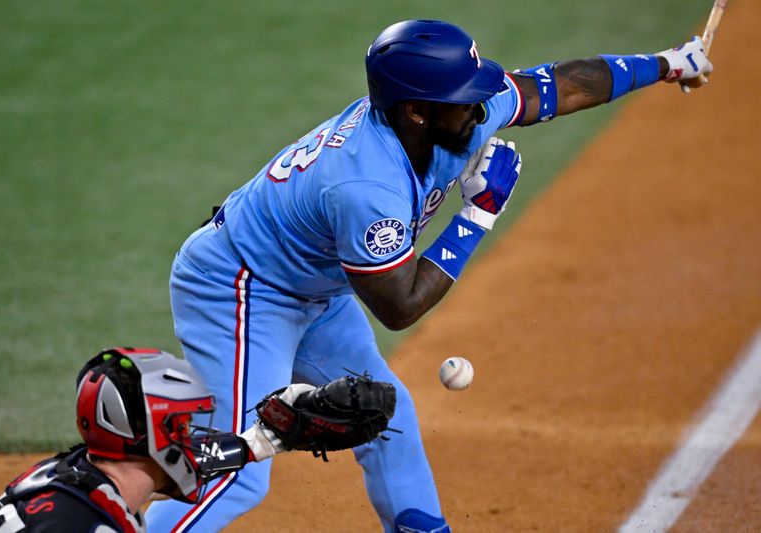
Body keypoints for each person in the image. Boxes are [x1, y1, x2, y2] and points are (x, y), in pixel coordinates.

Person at [145, 20, 713, 533]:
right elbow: (400, 306)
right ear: (416, 110)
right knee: (240, 470)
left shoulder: (450, 117)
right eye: (464, 99)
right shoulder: (367, 186)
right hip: (240, 290)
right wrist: (479, 213)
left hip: (314, 286)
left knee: (382, 414)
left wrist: (666, 64)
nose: (480, 106)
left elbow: (560, 85)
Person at [0, 347, 392, 532]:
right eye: (181, 425)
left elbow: (176, 459)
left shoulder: (73, 472)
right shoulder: (95, 525)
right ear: (154, 438)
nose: (191, 435)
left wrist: (260, 442)